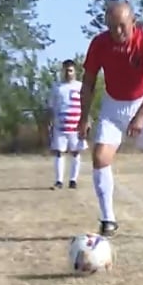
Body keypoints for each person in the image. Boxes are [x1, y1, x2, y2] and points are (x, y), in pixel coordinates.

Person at [76, 0, 143, 239]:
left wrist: (141, 116)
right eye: (112, 26)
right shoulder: (99, 44)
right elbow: (88, 82)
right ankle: (108, 220)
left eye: (122, 26)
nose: (117, 32)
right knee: (100, 157)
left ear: (133, 23)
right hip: (113, 106)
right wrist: (84, 117)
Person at [48, 59, 86, 189]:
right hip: (60, 126)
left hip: (76, 126)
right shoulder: (57, 87)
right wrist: (50, 122)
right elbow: (51, 106)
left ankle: (73, 180)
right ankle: (59, 181)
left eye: (70, 70)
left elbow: (86, 106)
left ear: (75, 71)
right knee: (59, 152)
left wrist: (87, 121)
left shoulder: (80, 86)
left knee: (76, 152)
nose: (68, 73)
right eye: (65, 70)